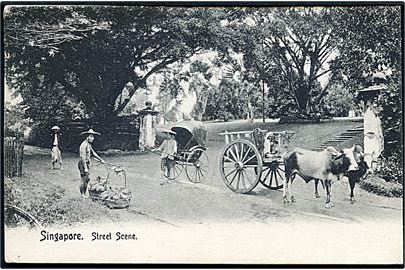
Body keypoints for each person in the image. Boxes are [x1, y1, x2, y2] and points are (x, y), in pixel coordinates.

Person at [78, 129, 104, 197]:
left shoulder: (88, 144)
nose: (93, 138)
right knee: (83, 179)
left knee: (87, 179)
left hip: (87, 163)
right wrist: (85, 167)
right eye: (91, 136)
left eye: (93, 136)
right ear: (87, 137)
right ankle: (82, 194)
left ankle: (85, 193)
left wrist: (100, 159)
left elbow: (93, 153)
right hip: (83, 163)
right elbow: (82, 157)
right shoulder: (83, 145)